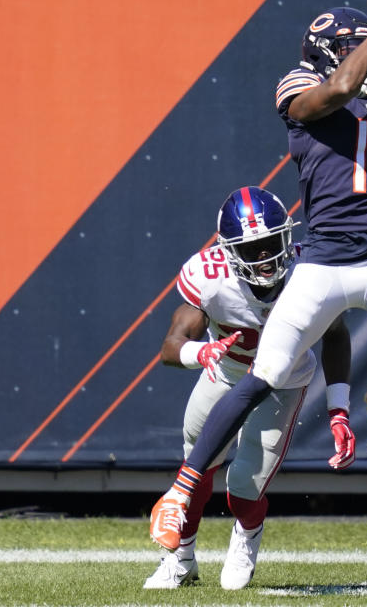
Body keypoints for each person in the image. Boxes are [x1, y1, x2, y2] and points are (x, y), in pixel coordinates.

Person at [150, 0, 367, 551]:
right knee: (262, 378)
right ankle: (182, 490)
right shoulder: (300, 89)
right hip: (323, 263)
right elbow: (341, 87)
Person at [144, 186, 353, 590]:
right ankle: (181, 560)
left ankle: (246, 536)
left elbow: (337, 334)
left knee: (244, 486)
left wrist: (338, 408)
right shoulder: (209, 277)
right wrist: (201, 352)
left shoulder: (309, 271)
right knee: (196, 468)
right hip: (226, 375)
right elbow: (170, 347)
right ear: (227, 250)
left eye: (270, 242)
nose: (263, 255)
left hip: (282, 383)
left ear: (286, 236)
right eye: (251, 246)